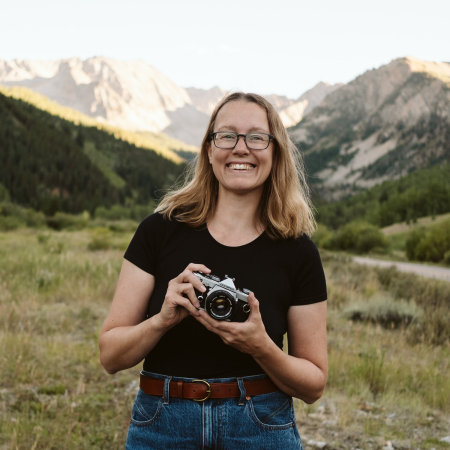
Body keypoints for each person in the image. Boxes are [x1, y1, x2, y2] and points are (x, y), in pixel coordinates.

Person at [99, 92, 328, 450]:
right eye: (227, 136)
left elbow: (313, 385)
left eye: (256, 137)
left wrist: (261, 347)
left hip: (260, 425)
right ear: (209, 149)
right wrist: (162, 320)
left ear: (275, 152)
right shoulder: (158, 232)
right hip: (162, 422)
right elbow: (110, 356)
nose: (241, 148)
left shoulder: (298, 252)